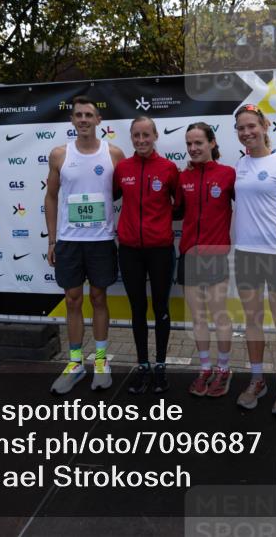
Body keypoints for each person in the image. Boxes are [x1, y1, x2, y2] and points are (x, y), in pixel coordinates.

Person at [45, 96, 125, 394]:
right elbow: (51, 197)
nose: (83, 119)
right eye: (78, 115)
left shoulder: (114, 153)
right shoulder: (59, 155)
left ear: (98, 121)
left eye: (88, 115)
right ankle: (76, 362)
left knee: (100, 299)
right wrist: (52, 238)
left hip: (102, 241)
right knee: (73, 299)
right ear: (72, 121)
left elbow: (124, 193)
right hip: (69, 241)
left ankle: (101, 361)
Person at [232, 104, 276, 417]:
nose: (247, 132)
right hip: (246, 254)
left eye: (251, 126)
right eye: (241, 128)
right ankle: (257, 379)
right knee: (253, 320)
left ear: (263, 126)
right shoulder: (240, 165)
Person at [114, 116, 179, 394]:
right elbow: (114, 197)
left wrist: (159, 224)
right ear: (131, 138)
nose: (141, 140)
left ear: (155, 136)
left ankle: (161, 366)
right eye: (136, 136)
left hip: (161, 250)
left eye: (146, 135)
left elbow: (179, 206)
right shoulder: (122, 168)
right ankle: (142, 366)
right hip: (129, 250)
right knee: (138, 309)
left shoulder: (168, 168)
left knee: (161, 308)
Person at [175, 122, 236, 398]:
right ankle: (205, 368)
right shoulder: (183, 177)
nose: (193, 148)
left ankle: (224, 369)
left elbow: (247, 206)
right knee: (198, 316)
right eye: (189, 143)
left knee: (219, 314)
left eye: (198, 142)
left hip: (215, 255)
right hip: (188, 253)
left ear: (212, 143)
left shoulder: (228, 174)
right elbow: (176, 211)